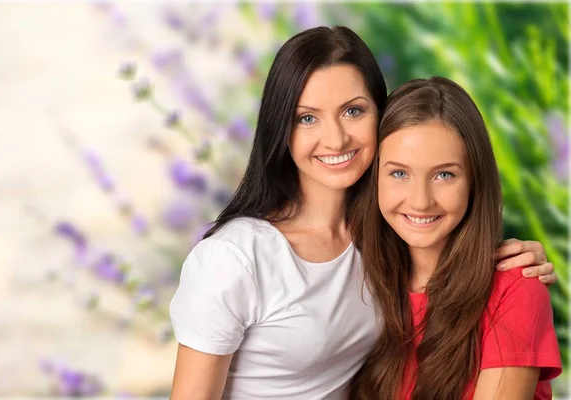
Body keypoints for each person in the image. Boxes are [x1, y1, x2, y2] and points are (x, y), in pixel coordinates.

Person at [168, 26, 557, 400]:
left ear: (381, 117)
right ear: (280, 129)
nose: (336, 138)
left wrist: (514, 266)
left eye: (353, 111)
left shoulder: (380, 242)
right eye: (307, 118)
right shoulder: (234, 258)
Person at [349, 76, 562, 400]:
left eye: (444, 175)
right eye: (399, 173)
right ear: (375, 177)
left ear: (474, 181)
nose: (421, 200)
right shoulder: (362, 283)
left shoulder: (515, 290)